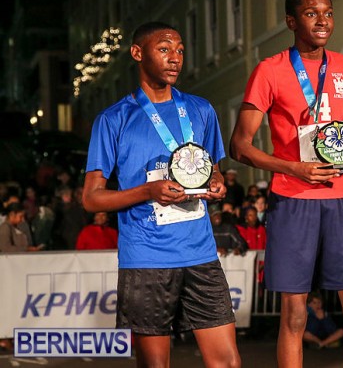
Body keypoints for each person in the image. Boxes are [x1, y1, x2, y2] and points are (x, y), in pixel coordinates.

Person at [230, 0, 343, 368]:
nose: (323, 21)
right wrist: (293, 167)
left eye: (328, 13)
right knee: (295, 315)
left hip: (340, 200)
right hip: (292, 200)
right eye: (311, 13)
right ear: (291, 21)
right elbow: (239, 146)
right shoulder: (270, 70)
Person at [81, 22, 240, 368]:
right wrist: (148, 191)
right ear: (138, 53)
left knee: (227, 362)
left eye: (180, 50)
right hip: (147, 258)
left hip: (200, 252)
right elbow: (92, 199)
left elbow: (212, 168)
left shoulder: (201, 109)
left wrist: (216, 182)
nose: (175, 58)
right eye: (164, 49)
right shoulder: (114, 119)